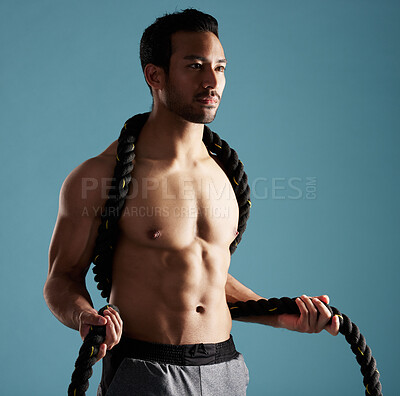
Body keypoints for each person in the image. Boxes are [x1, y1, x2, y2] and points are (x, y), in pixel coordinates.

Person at [44, 8, 339, 395]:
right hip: (145, 372)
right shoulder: (98, 176)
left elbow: (204, 272)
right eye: (195, 66)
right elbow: (61, 280)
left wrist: (278, 314)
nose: (212, 80)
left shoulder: (225, 175)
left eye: (220, 67)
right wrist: (84, 316)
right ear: (155, 76)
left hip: (226, 369)